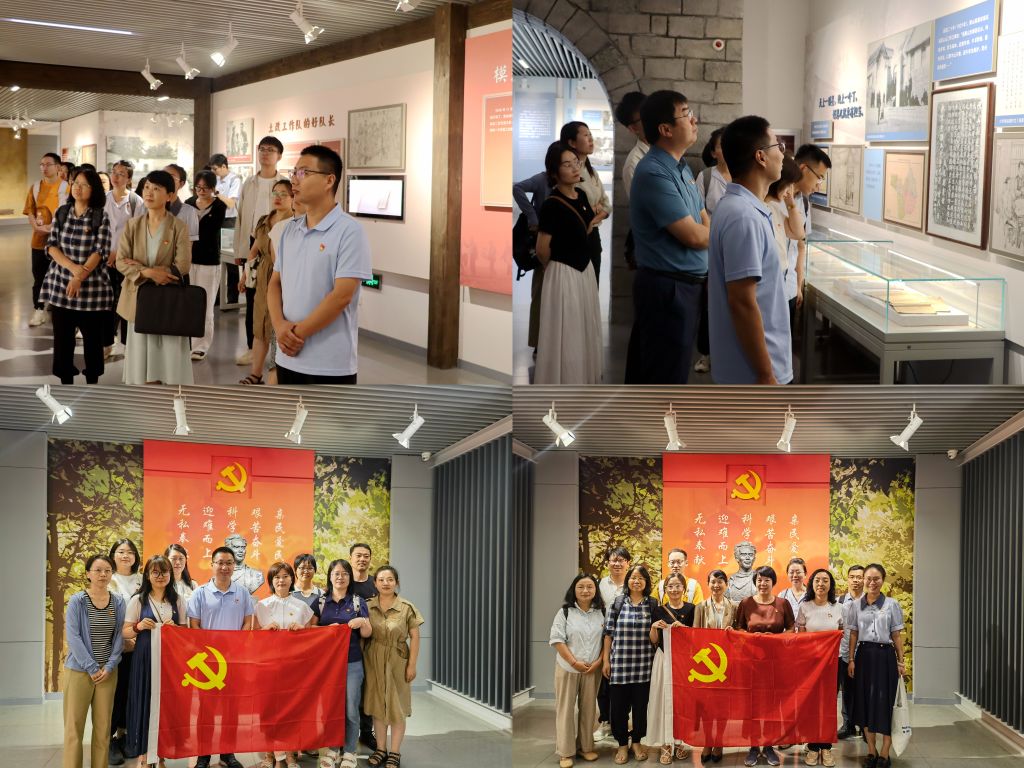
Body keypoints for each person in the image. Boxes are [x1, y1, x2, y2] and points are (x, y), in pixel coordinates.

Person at [624, 90, 710, 384]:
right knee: (664, 377)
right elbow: (694, 236)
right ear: (666, 129)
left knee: (670, 368)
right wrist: (717, 235)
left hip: (683, 287)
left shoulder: (681, 168)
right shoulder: (653, 172)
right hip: (668, 288)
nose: (694, 120)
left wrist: (708, 233)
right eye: (686, 114)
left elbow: (703, 218)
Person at [268, 145, 372, 384]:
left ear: (329, 180)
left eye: (303, 172)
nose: (294, 179)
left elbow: (341, 296)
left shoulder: (350, 231)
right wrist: (280, 327)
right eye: (294, 172)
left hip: (329, 364)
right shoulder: (290, 230)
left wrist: (295, 335)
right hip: (287, 357)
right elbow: (274, 284)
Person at [708, 115, 790, 385]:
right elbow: (742, 302)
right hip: (754, 375)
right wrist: (765, 374)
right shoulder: (743, 216)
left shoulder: (742, 207)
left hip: (752, 370)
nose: (782, 153)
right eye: (778, 146)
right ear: (761, 157)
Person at [534, 141, 603, 384]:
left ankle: (583, 380)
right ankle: (565, 383)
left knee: (584, 324)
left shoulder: (581, 195)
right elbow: (542, 249)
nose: (575, 168)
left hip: (585, 271)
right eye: (567, 164)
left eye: (576, 162)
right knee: (567, 330)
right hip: (564, 273)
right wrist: (554, 267)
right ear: (554, 172)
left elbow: (586, 228)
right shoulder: (552, 204)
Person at [116, 170, 192, 385]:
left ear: (170, 196)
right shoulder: (133, 225)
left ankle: (170, 393)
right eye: (147, 187)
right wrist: (148, 272)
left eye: (156, 189)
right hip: (138, 298)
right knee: (141, 352)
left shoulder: (178, 226)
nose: (149, 192)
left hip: (167, 298)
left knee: (168, 352)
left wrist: (140, 267)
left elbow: (183, 265)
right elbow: (121, 261)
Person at [40, 169, 113, 384]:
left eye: (84, 184)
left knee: (93, 342)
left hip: (92, 291)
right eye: (75, 183)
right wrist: (74, 270)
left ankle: (92, 384)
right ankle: (65, 384)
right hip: (61, 287)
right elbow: (51, 246)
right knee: (63, 342)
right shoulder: (62, 212)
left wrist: (79, 277)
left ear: (94, 190)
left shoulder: (100, 216)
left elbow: (100, 251)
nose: (77, 188)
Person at [186, 547, 256, 768]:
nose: (224, 567)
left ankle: (228, 753)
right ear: (212, 565)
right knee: (205, 711)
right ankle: (203, 755)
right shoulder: (200, 593)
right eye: (220, 563)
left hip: (234, 661)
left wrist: (236, 645)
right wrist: (209, 651)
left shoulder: (242, 593)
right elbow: (194, 625)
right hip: (207, 663)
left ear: (234, 565)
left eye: (229, 563)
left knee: (231, 710)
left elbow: (248, 622)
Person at [122, 555, 188, 767]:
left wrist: (176, 629)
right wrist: (138, 626)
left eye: (164, 572)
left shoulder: (178, 600)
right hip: (144, 660)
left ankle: (160, 755)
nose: (160, 576)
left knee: (166, 707)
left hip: (170, 662)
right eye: (155, 572)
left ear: (171, 574)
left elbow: (186, 632)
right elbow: (124, 632)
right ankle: (144, 756)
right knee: (144, 703)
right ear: (148, 576)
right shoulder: (138, 600)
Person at [63, 555, 126, 768]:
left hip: (108, 673)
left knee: (103, 728)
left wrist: (109, 666)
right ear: (88, 573)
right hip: (79, 672)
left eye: (107, 570)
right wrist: (91, 667)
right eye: (98, 570)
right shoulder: (77, 601)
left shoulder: (118, 601)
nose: (103, 574)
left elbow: (119, 636)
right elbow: (73, 637)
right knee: (74, 727)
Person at [253, 562, 315, 768]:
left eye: (285, 576)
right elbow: (252, 638)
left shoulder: (302, 606)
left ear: (292, 579)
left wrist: (302, 630)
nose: (281, 580)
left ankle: (290, 755)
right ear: (271, 581)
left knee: (292, 710)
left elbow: (311, 637)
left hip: (293, 667)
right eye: (277, 577)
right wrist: (264, 631)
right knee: (267, 710)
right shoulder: (261, 606)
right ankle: (269, 753)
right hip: (267, 666)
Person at [845, 564, 906, 768]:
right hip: (863, 657)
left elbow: (896, 635)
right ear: (863, 580)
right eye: (868, 578)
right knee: (865, 703)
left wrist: (900, 661)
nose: (872, 582)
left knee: (885, 703)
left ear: (883, 580)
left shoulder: (891, 604)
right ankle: (871, 751)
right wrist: (851, 659)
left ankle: (885, 752)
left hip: (885, 657)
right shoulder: (855, 605)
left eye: (876, 578)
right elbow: (853, 634)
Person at [363, 566, 423, 768]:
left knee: (397, 707)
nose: (385, 583)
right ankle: (381, 749)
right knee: (378, 707)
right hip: (373, 660)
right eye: (381, 579)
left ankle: (395, 752)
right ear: (375, 583)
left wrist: (412, 665)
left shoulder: (407, 607)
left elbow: (415, 637)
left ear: (396, 582)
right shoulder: (368, 605)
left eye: (390, 579)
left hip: (398, 660)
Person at [316, 559, 373, 768]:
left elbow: (367, 633)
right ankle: (333, 749)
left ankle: (349, 751)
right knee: (331, 708)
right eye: (336, 573)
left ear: (350, 577)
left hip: (352, 663)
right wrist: (326, 630)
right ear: (330, 577)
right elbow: (308, 630)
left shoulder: (357, 601)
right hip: (327, 665)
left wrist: (362, 621)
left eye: (344, 573)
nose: (340, 577)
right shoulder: (321, 601)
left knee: (351, 709)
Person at [736, 566, 795, 767]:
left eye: (767, 580)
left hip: (775, 662)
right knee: (752, 704)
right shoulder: (746, 603)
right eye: (759, 580)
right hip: (751, 663)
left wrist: (776, 639)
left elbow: (791, 629)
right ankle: (753, 747)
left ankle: (769, 746)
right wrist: (751, 638)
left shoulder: (783, 603)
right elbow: (738, 628)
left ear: (773, 582)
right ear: (755, 582)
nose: (763, 584)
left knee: (772, 705)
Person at [235, 136, 287, 365]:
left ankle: (279, 350)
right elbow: (240, 217)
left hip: (280, 242)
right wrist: (240, 251)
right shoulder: (249, 183)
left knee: (281, 299)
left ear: (279, 155)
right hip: (254, 241)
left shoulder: (285, 183)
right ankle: (252, 347)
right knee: (253, 298)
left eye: (271, 150)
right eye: (262, 149)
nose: (265, 153)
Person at [240, 179, 293, 384]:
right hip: (262, 276)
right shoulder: (264, 220)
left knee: (277, 325)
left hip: (283, 278)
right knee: (260, 325)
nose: (278, 198)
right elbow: (254, 250)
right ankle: (255, 374)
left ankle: (277, 373)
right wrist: (245, 275)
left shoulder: (295, 222)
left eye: (283, 194)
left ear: (293, 198)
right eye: (275, 193)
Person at [602, 564, 656, 764]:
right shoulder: (617, 603)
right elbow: (608, 634)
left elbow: (656, 636)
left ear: (646, 582)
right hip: (620, 666)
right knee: (618, 709)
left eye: (641, 578)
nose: (637, 581)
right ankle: (622, 744)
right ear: (628, 581)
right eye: (633, 577)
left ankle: (637, 742)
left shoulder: (652, 604)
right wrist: (606, 661)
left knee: (641, 709)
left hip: (644, 667)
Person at [550, 574, 605, 768]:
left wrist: (599, 661)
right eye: (581, 587)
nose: (585, 590)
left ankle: (585, 747)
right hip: (568, 668)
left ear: (595, 590)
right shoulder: (565, 612)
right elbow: (557, 640)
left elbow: (606, 640)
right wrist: (574, 662)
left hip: (592, 669)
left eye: (590, 587)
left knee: (589, 709)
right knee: (565, 710)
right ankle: (565, 752)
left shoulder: (601, 612)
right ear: (574, 589)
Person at [644, 573, 696, 765]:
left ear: (684, 589)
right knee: (663, 700)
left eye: (677, 586)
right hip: (663, 659)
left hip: (683, 661)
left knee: (681, 702)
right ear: (665, 589)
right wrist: (653, 627)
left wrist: (684, 628)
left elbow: (695, 638)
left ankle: (680, 742)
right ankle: (665, 744)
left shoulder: (692, 609)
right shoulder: (658, 610)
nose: (674, 590)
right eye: (670, 586)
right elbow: (654, 640)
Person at [795, 569, 844, 767]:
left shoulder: (839, 607)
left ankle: (826, 747)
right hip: (810, 665)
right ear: (812, 584)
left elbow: (842, 634)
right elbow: (800, 638)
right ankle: (813, 746)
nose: (821, 584)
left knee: (829, 705)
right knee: (812, 705)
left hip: (832, 664)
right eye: (817, 580)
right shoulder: (805, 606)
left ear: (830, 585)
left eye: (825, 580)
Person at [691, 127, 730, 376]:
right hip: (710, 250)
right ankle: (705, 353)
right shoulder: (705, 177)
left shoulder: (745, 175)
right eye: (721, 145)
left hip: (736, 249)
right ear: (714, 152)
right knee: (709, 303)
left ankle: (728, 351)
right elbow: (696, 214)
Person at [693, 569, 738, 764]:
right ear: (708, 584)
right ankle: (707, 742)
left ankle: (719, 741)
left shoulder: (734, 606)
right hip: (706, 664)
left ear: (726, 585)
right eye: (713, 581)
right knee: (706, 706)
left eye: (720, 581)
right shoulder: (700, 607)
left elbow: (741, 633)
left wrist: (734, 631)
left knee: (722, 706)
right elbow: (694, 634)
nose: (716, 585)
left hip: (727, 663)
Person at [104, 160, 146, 357]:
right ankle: (107, 341)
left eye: (121, 173)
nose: (116, 176)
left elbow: (137, 233)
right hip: (104, 258)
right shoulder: (103, 199)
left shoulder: (137, 201)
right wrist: (107, 252)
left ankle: (127, 344)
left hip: (127, 259)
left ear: (129, 179)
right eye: (114, 172)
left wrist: (118, 253)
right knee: (107, 301)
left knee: (126, 299)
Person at [184, 170, 226, 362]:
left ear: (213, 188)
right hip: (188, 260)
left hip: (209, 260)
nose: (201, 191)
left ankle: (201, 346)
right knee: (189, 303)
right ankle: (189, 342)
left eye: (205, 188)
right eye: (198, 187)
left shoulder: (219, 206)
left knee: (206, 304)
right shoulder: (188, 203)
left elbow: (209, 231)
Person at [106, 539, 142, 767]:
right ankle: (108, 740)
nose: (125, 555)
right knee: (113, 694)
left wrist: (135, 639)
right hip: (113, 647)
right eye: (120, 551)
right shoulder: (107, 578)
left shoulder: (142, 580)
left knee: (131, 692)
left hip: (138, 646)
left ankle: (125, 736)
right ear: (113, 555)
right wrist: (122, 640)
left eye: (130, 552)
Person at [25, 152, 70, 327]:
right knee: (38, 275)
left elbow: (68, 213)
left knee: (61, 276)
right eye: (42, 164)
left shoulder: (67, 188)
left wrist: (51, 227)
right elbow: (30, 210)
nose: (44, 168)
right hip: (38, 240)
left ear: (58, 167)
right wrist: (36, 227)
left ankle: (59, 308)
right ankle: (38, 309)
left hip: (60, 241)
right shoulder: (35, 187)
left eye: (48, 164)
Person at [562, 121, 610, 283]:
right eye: (586, 135)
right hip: (574, 237)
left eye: (591, 135)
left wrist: (593, 215)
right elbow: (573, 209)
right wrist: (594, 209)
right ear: (572, 142)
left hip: (593, 236)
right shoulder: (569, 174)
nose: (591, 139)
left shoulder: (591, 171)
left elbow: (607, 205)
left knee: (593, 286)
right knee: (576, 288)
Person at [762, 156, 806, 325]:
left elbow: (798, 233)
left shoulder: (774, 207)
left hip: (779, 282)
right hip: (767, 283)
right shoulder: (758, 207)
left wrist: (791, 203)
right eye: (788, 185)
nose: (789, 191)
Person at [513, 168, 550, 353]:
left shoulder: (574, 180)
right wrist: (532, 216)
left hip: (562, 244)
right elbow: (517, 188)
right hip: (543, 241)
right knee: (540, 292)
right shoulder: (542, 179)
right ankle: (537, 341)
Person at [348, 543, 378, 748]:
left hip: (373, 645)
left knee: (369, 690)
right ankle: (346, 734)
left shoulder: (376, 584)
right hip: (349, 648)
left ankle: (367, 732)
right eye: (358, 555)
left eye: (366, 556)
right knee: (350, 694)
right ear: (350, 558)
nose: (362, 559)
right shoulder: (344, 582)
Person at [615, 91, 647, 271]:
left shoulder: (669, 150)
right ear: (633, 128)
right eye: (645, 117)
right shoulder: (634, 163)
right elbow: (646, 211)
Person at [836, 565, 865, 741]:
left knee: (864, 689)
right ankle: (848, 724)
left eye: (859, 577)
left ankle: (864, 725)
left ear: (864, 580)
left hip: (864, 652)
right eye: (852, 577)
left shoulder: (870, 601)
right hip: (843, 652)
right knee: (846, 690)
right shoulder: (838, 601)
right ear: (847, 579)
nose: (855, 580)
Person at [163, 165, 200, 247]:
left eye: (171, 177)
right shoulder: (145, 208)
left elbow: (187, 246)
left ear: (181, 184)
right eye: (162, 176)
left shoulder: (189, 212)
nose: (165, 180)